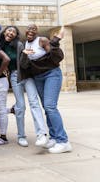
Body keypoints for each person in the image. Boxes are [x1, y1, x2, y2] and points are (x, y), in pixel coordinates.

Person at [21, 24, 71, 153]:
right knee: (47, 108)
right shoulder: (25, 44)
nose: (31, 31)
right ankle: (53, 137)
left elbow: (55, 56)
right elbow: (24, 65)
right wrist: (25, 55)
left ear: (37, 32)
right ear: (25, 31)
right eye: (29, 29)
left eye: (34, 29)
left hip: (51, 74)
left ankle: (63, 141)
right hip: (38, 78)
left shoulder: (41, 40)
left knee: (50, 106)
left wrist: (55, 40)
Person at [0, 25, 48, 147]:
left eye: (14, 32)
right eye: (9, 30)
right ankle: (21, 136)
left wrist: (25, 55)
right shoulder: (0, 46)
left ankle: (42, 134)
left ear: (16, 35)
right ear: (5, 32)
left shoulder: (20, 45)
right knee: (20, 106)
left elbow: (25, 65)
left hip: (26, 75)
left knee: (34, 102)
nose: (11, 33)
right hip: (15, 77)